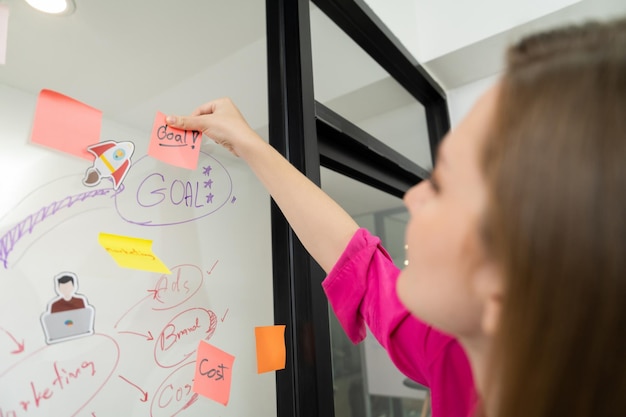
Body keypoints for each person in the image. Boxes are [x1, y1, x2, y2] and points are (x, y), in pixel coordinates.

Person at [166, 16, 626, 417]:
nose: (413, 199)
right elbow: (357, 264)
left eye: (442, 185)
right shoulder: (462, 354)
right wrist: (249, 144)